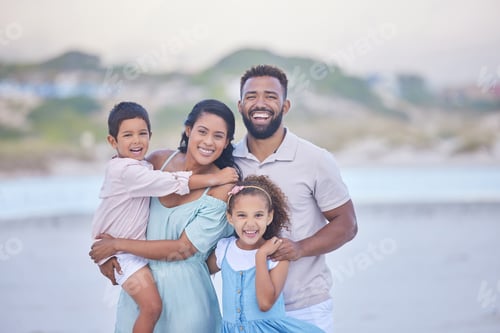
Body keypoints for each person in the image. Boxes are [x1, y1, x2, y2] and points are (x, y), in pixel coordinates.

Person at [89, 99, 240, 332]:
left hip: (187, 298)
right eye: (202, 131)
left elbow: (183, 249)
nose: (208, 141)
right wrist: (105, 255)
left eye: (218, 136)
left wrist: (117, 245)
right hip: (140, 287)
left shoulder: (221, 188)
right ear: (188, 130)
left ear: (227, 142)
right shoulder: (158, 161)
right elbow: (118, 200)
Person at [233, 64, 358, 332]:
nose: (260, 103)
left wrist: (300, 248)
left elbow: (347, 224)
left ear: (285, 106)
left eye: (271, 96)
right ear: (241, 105)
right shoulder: (229, 161)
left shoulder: (314, 159)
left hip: (305, 308)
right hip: (247, 311)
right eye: (251, 96)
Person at [207, 175, 324, 332]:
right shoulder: (224, 249)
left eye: (258, 215)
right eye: (242, 215)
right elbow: (199, 273)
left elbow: (265, 303)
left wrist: (261, 256)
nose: (250, 223)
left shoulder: (277, 254)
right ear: (230, 218)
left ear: (269, 217)